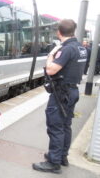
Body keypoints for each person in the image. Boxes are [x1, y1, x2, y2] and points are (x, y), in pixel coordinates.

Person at [32, 19, 87, 174]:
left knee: (56, 126)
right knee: (65, 125)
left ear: (59, 32)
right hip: (72, 91)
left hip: (61, 93)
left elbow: (51, 70)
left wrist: (50, 55)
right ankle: (62, 156)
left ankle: (53, 163)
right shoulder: (81, 48)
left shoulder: (67, 49)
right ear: (73, 31)